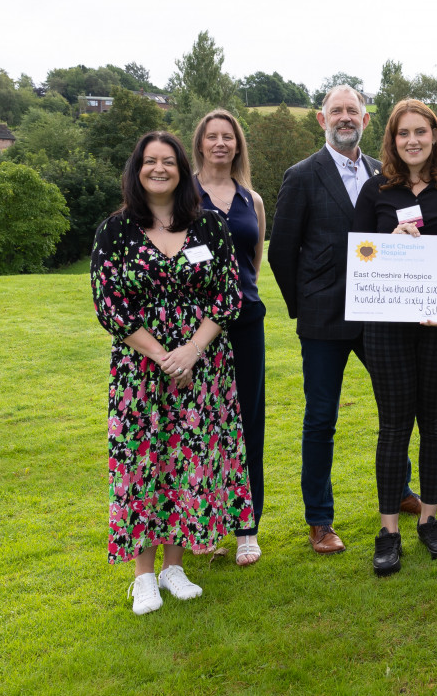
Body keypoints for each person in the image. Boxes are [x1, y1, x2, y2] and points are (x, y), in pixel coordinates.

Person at [267, 85, 437, 555]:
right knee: (321, 419)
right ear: (322, 120)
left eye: (353, 111)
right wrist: (305, 303)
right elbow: (281, 250)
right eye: (336, 111)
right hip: (324, 319)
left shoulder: (384, 174)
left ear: (365, 120)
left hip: (381, 314)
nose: (345, 117)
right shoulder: (302, 176)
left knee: (397, 406)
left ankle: (400, 489)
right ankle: (320, 520)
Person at [90, 131, 252, 615]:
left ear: (183, 170)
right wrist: (165, 355)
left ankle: (173, 567)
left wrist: (193, 350)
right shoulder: (113, 231)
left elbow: (228, 295)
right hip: (142, 370)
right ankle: (142, 576)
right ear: (136, 170)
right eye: (149, 162)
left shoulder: (209, 228)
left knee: (188, 456)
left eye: (168, 162)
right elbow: (109, 306)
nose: (158, 169)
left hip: (201, 367)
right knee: (143, 462)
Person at [353, 100, 437, 576]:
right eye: (403, 133)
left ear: (435, 137)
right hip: (386, 329)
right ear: (392, 140)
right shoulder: (375, 191)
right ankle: (389, 531)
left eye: (421, 132)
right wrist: (389, 236)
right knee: (393, 426)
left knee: (436, 422)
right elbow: (360, 256)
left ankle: (429, 519)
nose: (412, 140)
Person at [192, 109, 266, 567]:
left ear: (237, 145)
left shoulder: (252, 199)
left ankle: (247, 528)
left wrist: (235, 302)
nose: (221, 143)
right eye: (212, 137)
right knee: (201, 424)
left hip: (244, 323)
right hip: (193, 328)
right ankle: (209, 521)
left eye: (228, 137)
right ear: (199, 144)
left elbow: (253, 263)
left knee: (246, 421)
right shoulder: (183, 196)